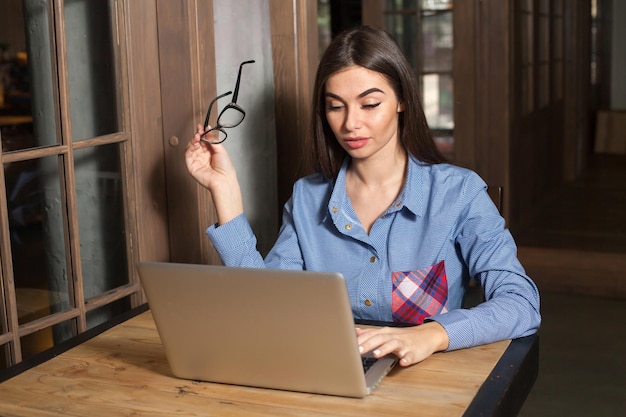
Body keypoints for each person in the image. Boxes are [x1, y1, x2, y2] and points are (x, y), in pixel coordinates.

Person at [185, 25, 541, 367]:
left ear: (402, 101)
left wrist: (430, 336)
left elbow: (521, 304)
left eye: (369, 104)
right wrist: (225, 190)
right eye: (335, 106)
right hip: (325, 370)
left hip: (425, 380)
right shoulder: (307, 198)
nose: (350, 123)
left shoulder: (458, 193)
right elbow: (265, 307)